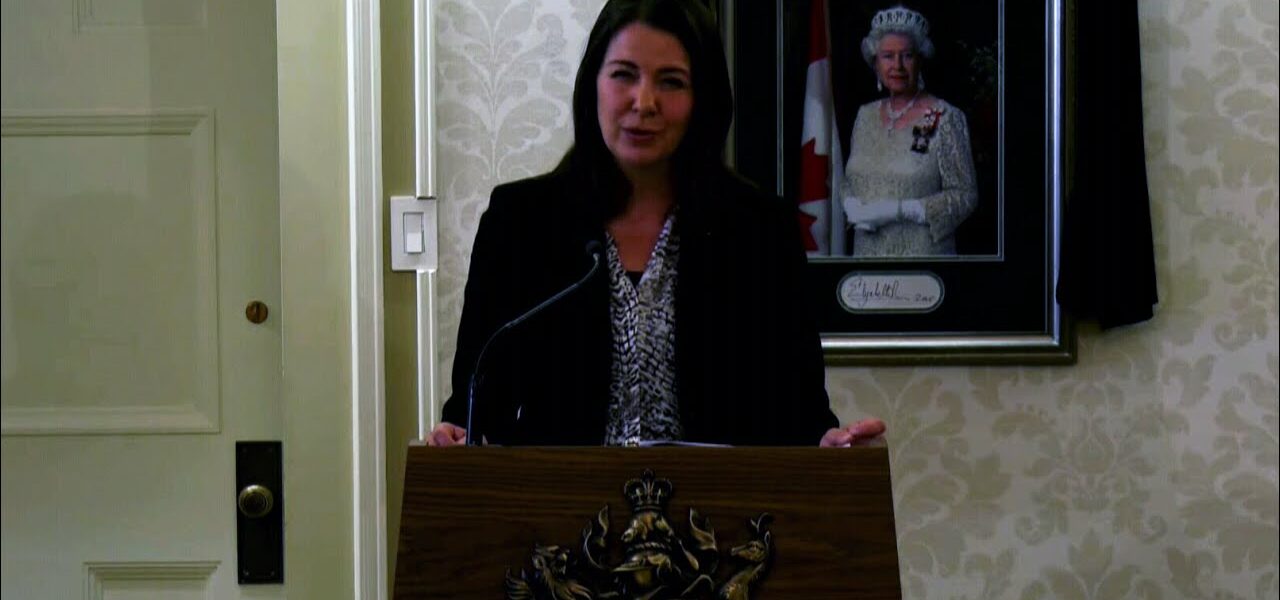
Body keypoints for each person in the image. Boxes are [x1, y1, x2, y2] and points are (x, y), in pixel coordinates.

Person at [428, 0, 884, 447]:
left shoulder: (760, 230)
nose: (644, 102)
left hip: (720, 498)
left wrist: (832, 447)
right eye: (624, 75)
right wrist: (457, 436)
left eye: (671, 82)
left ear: (702, 99)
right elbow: (474, 406)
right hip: (560, 498)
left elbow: (802, 412)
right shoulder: (520, 223)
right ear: (593, 84)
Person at [842, 5, 978, 257]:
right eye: (887, 56)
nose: (897, 66)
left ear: (920, 60)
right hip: (866, 260)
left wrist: (901, 211)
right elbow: (849, 180)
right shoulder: (865, 116)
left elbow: (965, 196)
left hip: (922, 261)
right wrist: (848, 202)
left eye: (907, 55)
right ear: (875, 62)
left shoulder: (944, 117)